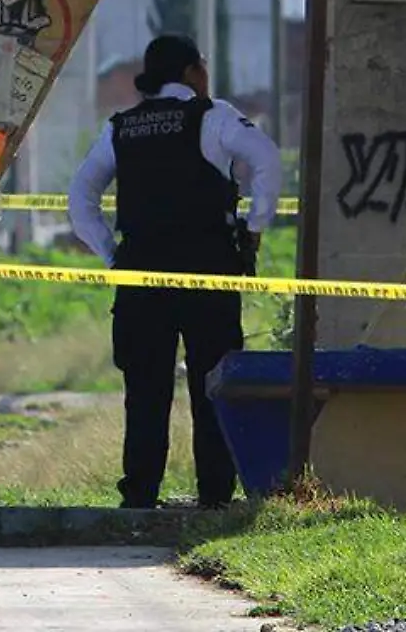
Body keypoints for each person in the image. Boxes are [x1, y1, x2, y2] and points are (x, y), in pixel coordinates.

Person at [67, 34, 282, 510]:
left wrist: (112, 255)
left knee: (144, 389)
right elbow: (266, 158)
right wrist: (255, 225)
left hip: (140, 274)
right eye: (202, 66)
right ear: (189, 72)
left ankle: (140, 494)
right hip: (208, 268)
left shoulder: (121, 127)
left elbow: (80, 200)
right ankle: (215, 496)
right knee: (214, 385)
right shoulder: (214, 116)